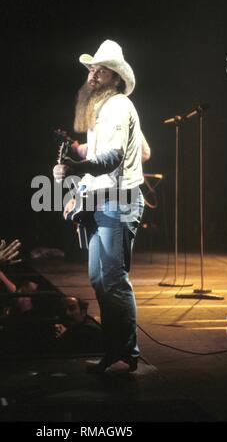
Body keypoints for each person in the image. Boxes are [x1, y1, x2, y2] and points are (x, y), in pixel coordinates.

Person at [53, 40, 151, 374]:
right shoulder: (102, 110)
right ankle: (115, 349)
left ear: (115, 77)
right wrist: (78, 192)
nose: (92, 74)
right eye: (92, 69)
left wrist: (76, 167)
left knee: (113, 279)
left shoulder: (120, 106)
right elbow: (99, 167)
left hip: (119, 202)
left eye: (100, 69)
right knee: (99, 278)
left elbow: (112, 158)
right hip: (99, 200)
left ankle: (126, 354)